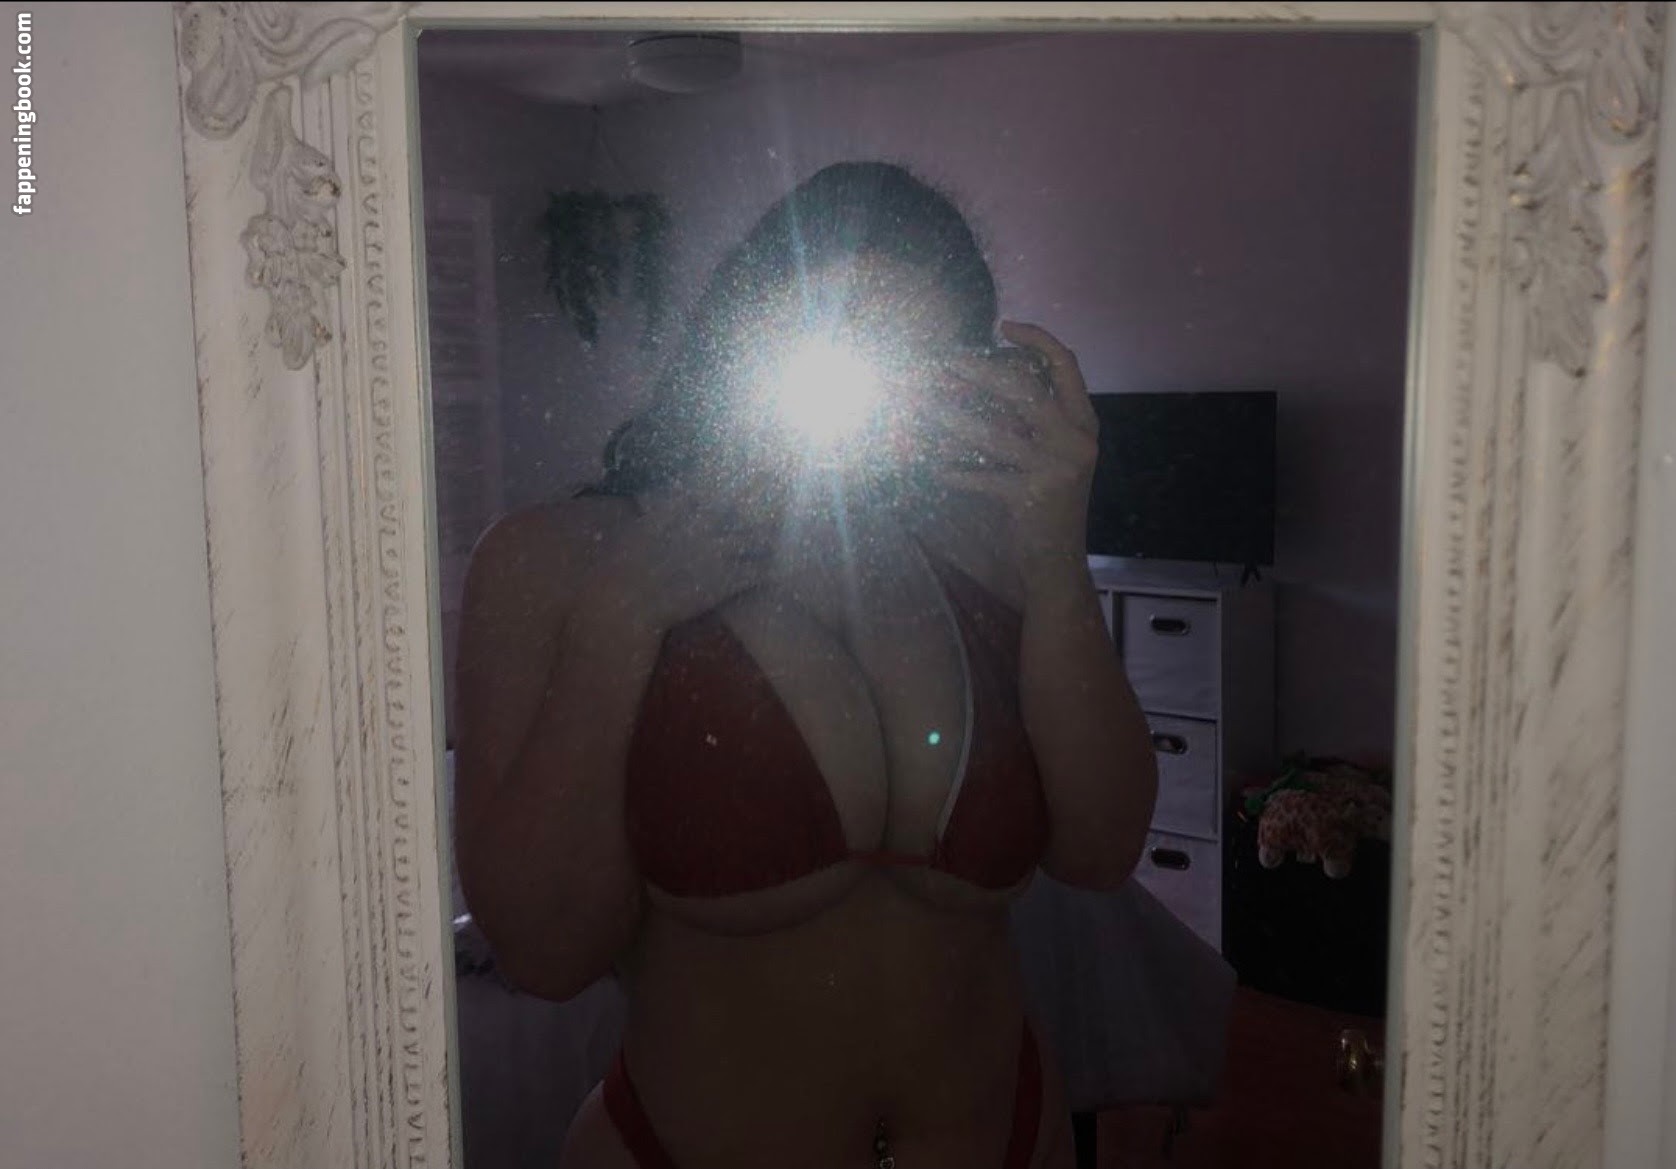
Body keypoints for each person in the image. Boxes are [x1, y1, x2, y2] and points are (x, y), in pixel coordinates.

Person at [453, 161, 1159, 1169]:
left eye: (905, 359)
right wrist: (624, 617)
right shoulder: (557, 557)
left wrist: (1057, 556)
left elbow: (1101, 851)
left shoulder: (1003, 541)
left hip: (1009, 1133)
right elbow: (546, 952)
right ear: (740, 339)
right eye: (833, 338)